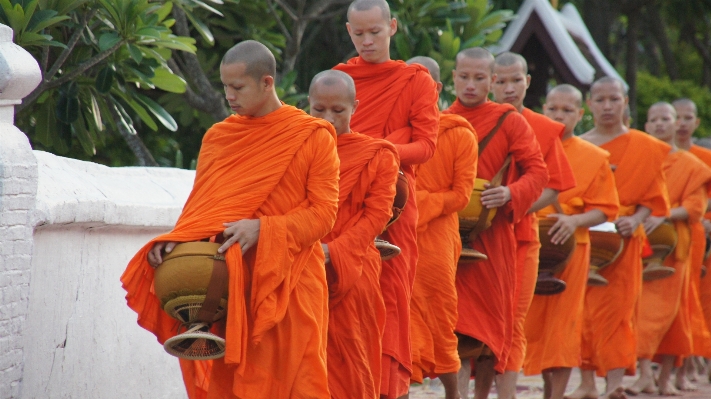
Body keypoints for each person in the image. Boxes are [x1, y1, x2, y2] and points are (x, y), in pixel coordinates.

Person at [121, 40, 340, 399]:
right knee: (235, 387)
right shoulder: (220, 138)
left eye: (237, 87)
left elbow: (323, 215)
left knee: (297, 385)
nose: (229, 96)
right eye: (225, 86)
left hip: (291, 283)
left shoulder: (312, 136)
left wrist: (264, 228)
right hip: (231, 288)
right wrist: (178, 239)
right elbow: (203, 209)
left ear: (267, 83)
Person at [334, 1, 440, 397]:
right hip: (344, 204)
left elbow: (427, 145)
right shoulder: (339, 78)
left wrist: (379, 151)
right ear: (348, 31)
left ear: (392, 27)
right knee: (346, 298)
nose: (367, 41)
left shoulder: (416, 80)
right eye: (359, 33)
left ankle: (389, 389)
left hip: (395, 205)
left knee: (391, 298)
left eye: (375, 32)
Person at [443, 47, 548, 399]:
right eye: (464, 77)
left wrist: (510, 193)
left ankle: (482, 395)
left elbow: (538, 171)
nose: (470, 85)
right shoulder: (441, 119)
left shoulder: (509, 119)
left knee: (490, 328)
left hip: (493, 237)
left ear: (492, 81)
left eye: (479, 78)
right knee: (454, 323)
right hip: (448, 235)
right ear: (453, 77)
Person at [567, 77, 671, 399]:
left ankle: (613, 385)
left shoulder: (645, 146)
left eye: (614, 99)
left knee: (619, 313)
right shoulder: (578, 146)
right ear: (589, 104)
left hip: (624, 240)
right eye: (600, 100)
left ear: (626, 102)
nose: (608, 107)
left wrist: (636, 220)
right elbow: (568, 196)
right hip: (585, 238)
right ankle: (585, 384)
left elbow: (654, 199)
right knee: (581, 312)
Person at [523, 84, 619, 399]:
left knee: (562, 326)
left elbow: (606, 209)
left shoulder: (593, 156)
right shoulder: (526, 145)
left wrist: (574, 220)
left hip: (571, 250)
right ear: (543, 111)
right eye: (553, 109)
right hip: (526, 242)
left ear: (581, 114)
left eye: (568, 110)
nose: (560, 116)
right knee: (527, 324)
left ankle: (556, 394)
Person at [310, 70, 400, 399]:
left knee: (352, 356)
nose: (329, 119)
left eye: (338, 111)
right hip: (303, 266)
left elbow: (378, 214)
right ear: (307, 105)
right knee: (306, 357)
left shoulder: (378, 153)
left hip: (355, 266)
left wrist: (334, 251)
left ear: (354, 108)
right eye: (319, 110)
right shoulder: (298, 148)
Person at [491, 52, 576, 399]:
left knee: (512, 320)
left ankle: (507, 394)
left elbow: (554, 185)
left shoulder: (541, 128)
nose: (509, 88)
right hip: (475, 238)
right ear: (489, 82)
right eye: (501, 81)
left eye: (516, 81)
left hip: (520, 235)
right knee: (478, 320)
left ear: (527, 82)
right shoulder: (471, 122)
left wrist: (514, 205)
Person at [627, 102, 711, 396]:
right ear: (646, 126)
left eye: (666, 119)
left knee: (667, 313)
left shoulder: (695, 166)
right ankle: (649, 376)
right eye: (654, 120)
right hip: (642, 244)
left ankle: (658, 377)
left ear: (677, 125)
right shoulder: (641, 159)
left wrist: (661, 214)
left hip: (676, 247)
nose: (660, 124)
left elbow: (695, 209)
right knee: (643, 312)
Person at [406, 56, 477, 399]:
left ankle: (453, 393)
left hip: (436, 242)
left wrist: (418, 204)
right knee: (397, 317)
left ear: (436, 88)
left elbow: (462, 195)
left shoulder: (458, 133)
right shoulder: (395, 130)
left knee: (439, 318)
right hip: (397, 237)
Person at [673, 98, 711, 386]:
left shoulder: (704, 157)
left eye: (689, 118)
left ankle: (700, 356)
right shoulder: (658, 154)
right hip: (665, 233)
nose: (682, 123)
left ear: (696, 123)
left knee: (701, 300)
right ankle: (682, 361)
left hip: (700, 233)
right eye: (678, 117)